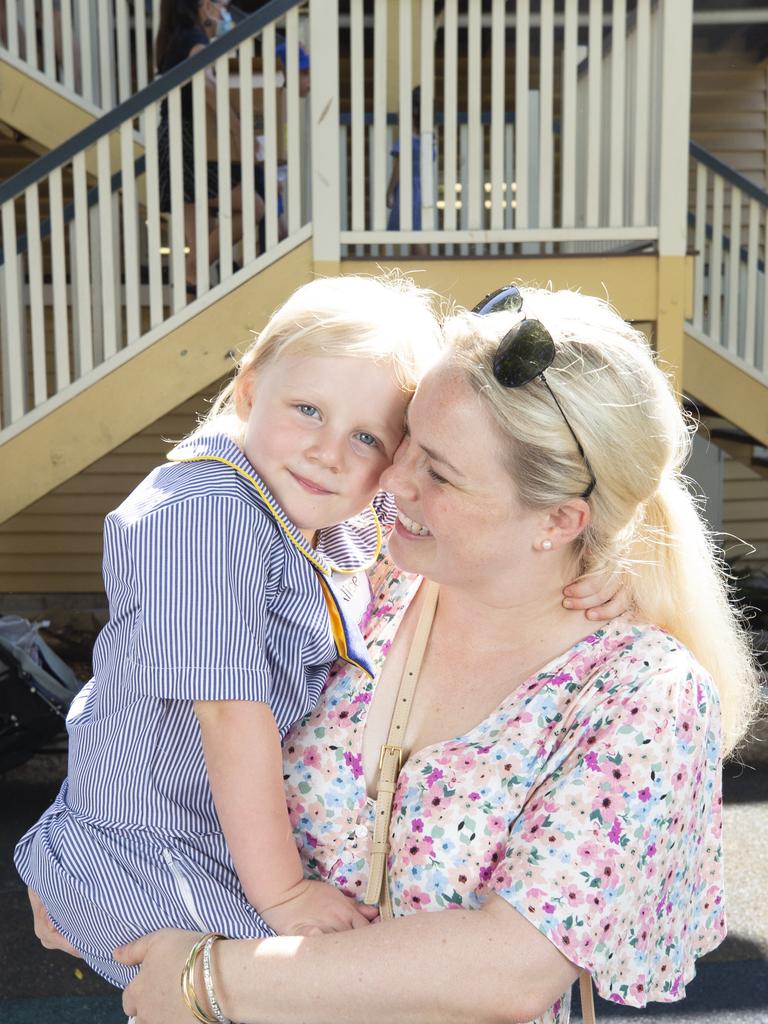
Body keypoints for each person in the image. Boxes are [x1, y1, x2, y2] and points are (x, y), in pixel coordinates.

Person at [40, 283, 759, 1024]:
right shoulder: (365, 570)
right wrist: (84, 853)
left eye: (439, 471)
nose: (393, 478)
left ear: (560, 519)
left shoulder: (640, 693)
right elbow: (167, 688)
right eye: (406, 436)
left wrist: (203, 979)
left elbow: (508, 971)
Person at [14, 274, 443, 987]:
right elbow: (228, 713)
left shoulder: (324, 514)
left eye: (366, 435)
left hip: (212, 833)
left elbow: (448, 524)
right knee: (287, 992)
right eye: (308, 409)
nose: (328, 451)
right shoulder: (204, 513)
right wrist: (284, 896)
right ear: (249, 392)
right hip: (146, 845)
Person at [155, 0, 264, 295]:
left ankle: (192, 287)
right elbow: (207, 86)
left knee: (199, 239)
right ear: (202, 5)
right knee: (254, 207)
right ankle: (191, 269)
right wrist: (240, 130)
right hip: (190, 142)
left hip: (173, 139)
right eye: (217, 3)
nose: (222, 8)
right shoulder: (195, 40)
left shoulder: (171, 40)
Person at [386, 86, 433, 258]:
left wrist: (389, 191)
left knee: (413, 233)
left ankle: (423, 265)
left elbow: (399, 167)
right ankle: (423, 265)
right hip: (422, 188)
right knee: (418, 231)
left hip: (408, 189)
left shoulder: (406, 139)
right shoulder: (427, 138)